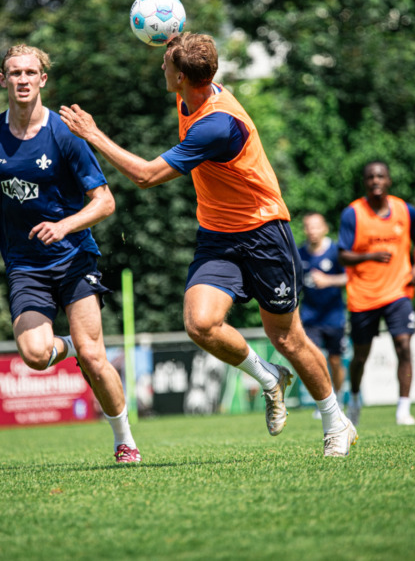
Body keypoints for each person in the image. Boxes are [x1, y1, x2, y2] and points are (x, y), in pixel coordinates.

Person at [60, 32, 357, 457]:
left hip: (263, 232)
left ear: (181, 76)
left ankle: (335, 422)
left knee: (286, 337)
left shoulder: (217, 125)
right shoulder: (190, 91)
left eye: (166, 64)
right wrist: (174, 38)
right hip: (218, 235)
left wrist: (92, 133)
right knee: (200, 324)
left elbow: (145, 176)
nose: (161, 67)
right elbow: (187, 55)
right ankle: (269, 377)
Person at [0, 44, 140, 464]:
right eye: (14, 72)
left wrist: (65, 226)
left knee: (95, 358)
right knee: (35, 355)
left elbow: (105, 202)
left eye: (30, 72)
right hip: (25, 266)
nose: (22, 79)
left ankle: (124, 440)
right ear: (3, 80)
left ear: (43, 79)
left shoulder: (64, 134)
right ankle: (73, 345)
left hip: (74, 259)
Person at [337, 160, 415, 427]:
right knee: (360, 356)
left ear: (389, 180)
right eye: (370, 177)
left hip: (398, 291)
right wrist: (370, 256)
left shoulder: (405, 210)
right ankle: (354, 399)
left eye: (380, 176)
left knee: (404, 346)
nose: (375, 180)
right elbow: (342, 255)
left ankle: (403, 409)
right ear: (365, 182)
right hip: (363, 295)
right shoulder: (353, 214)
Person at [298, 212, 348, 416]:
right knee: (314, 360)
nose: (312, 231)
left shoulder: (336, 251)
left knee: (335, 361)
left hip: (334, 316)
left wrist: (329, 281)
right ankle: (324, 404)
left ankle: (338, 398)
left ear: (325, 228)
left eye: (316, 226)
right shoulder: (300, 254)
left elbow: (350, 278)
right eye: (309, 227)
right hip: (310, 317)